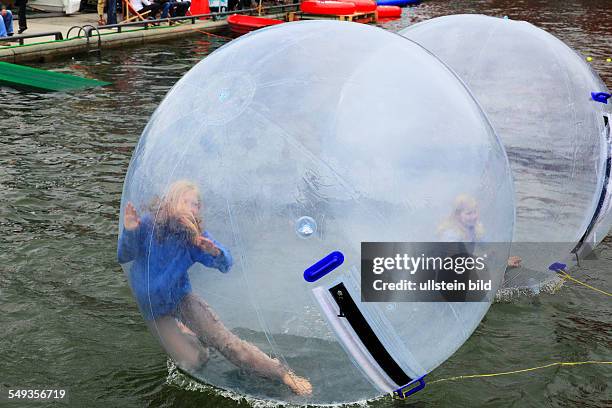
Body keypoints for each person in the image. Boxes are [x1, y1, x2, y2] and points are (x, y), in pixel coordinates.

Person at [118, 180, 312, 396]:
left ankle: (283, 374)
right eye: (188, 202)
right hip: (153, 309)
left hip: (180, 298)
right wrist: (130, 231)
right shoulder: (147, 225)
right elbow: (124, 256)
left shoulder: (194, 235)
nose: (193, 208)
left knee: (228, 344)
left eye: (197, 204)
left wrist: (214, 252)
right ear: (172, 201)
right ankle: (187, 333)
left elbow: (226, 264)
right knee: (194, 361)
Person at [438, 194, 522, 267]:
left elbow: (489, 247)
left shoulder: (472, 228)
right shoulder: (451, 235)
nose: (473, 216)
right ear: (457, 215)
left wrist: (503, 260)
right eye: (469, 213)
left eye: (475, 212)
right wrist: (487, 258)